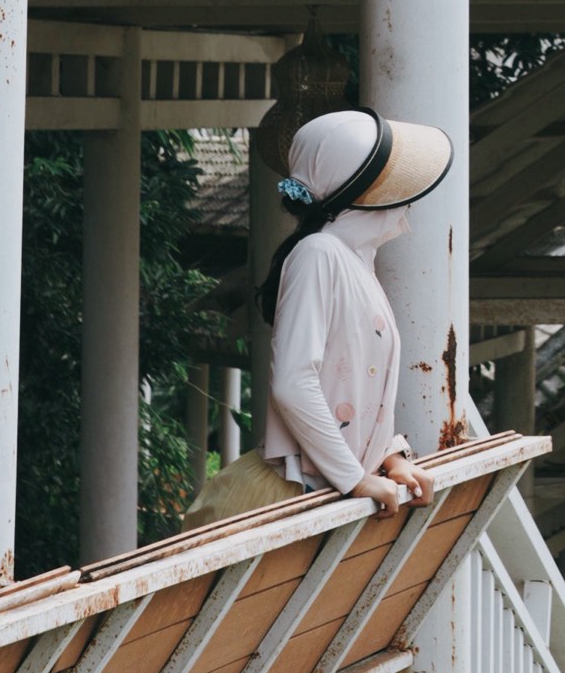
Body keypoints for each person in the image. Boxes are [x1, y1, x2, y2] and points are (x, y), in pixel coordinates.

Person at [185, 105, 452, 527]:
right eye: (391, 183)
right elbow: (294, 383)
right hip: (288, 497)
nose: (406, 199)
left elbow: (354, 385)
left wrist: (390, 456)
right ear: (361, 192)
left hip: (325, 491)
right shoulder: (318, 254)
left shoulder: (353, 258)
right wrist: (355, 479)